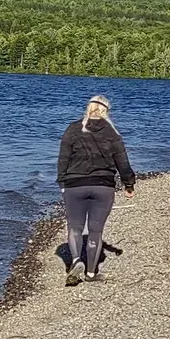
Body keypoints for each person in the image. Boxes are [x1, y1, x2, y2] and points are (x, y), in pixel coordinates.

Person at [56, 94, 136, 286]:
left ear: (88, 108)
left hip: (75, 185)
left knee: (75, 227)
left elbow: (63, 158)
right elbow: (122, 162)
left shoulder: (73, 128)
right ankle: (91, 273)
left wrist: (62, 182)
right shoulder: (112, 133)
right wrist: (129, 184)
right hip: (103, 187)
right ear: (106, 111)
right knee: (95, 231)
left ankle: (76, 261)